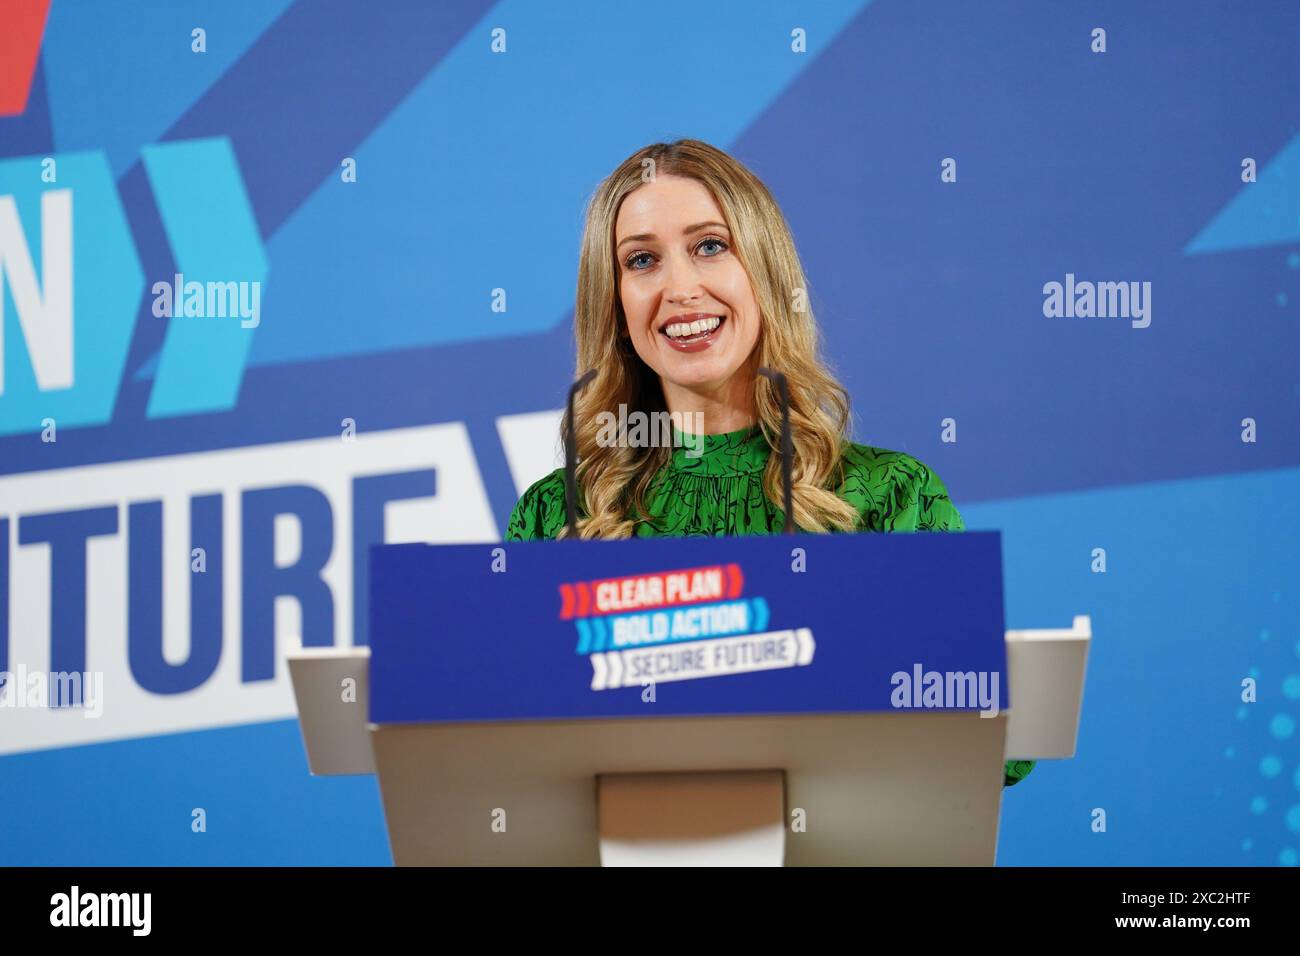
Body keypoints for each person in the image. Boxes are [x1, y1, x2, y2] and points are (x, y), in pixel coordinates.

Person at [506, 138, 1034, 788]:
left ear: (764, 268)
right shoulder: (558, 516)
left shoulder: (890, 496)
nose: (680, 287)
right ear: (613, 303)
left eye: (709, 246)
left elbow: (1000, 745)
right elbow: (513, 756)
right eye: (641, 260)